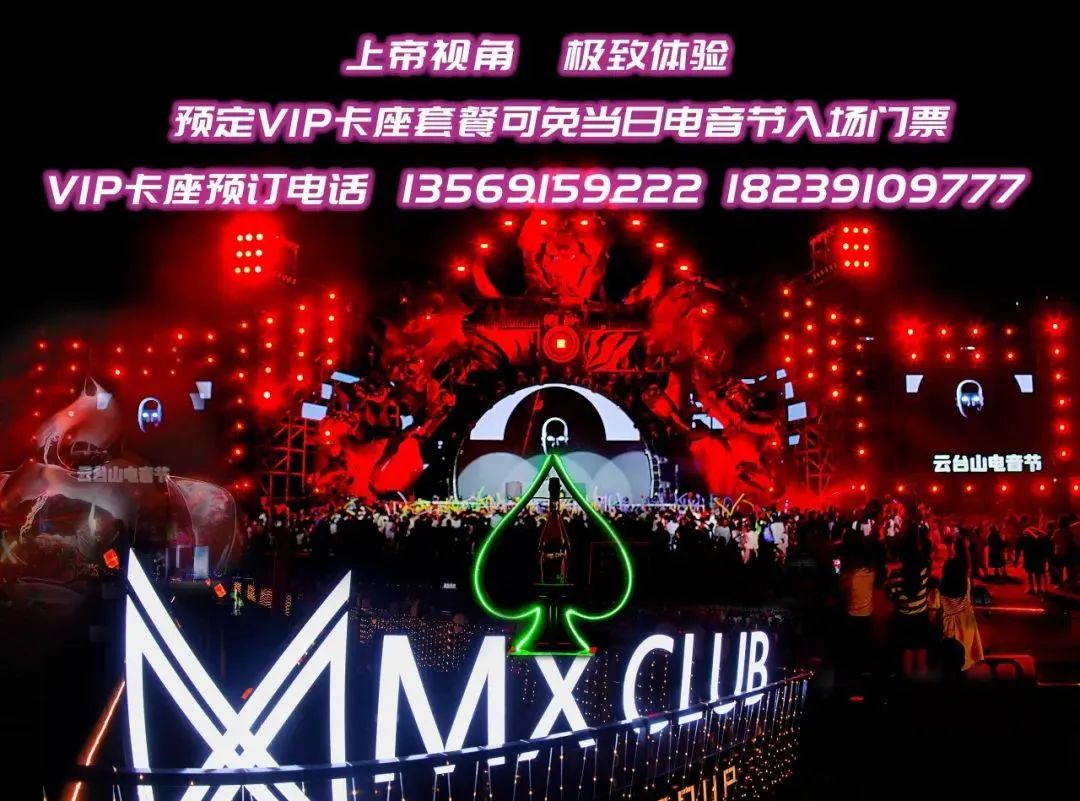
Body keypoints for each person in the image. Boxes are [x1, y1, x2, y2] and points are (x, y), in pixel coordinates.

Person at [887, 527, 932, 678]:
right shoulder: (923, 572)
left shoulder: (895, 575)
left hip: (903, 620)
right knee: (922, 659)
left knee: (906, 656)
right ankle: (922, 687)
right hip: (921, 619)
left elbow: (890, 595)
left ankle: (908, 688)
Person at [939, 548, 984, 676]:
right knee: (966, 653)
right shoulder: (966, 583)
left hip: (949, 623)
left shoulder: (941, 587)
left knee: (951, 657)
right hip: (966, 621)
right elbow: (969, 569)